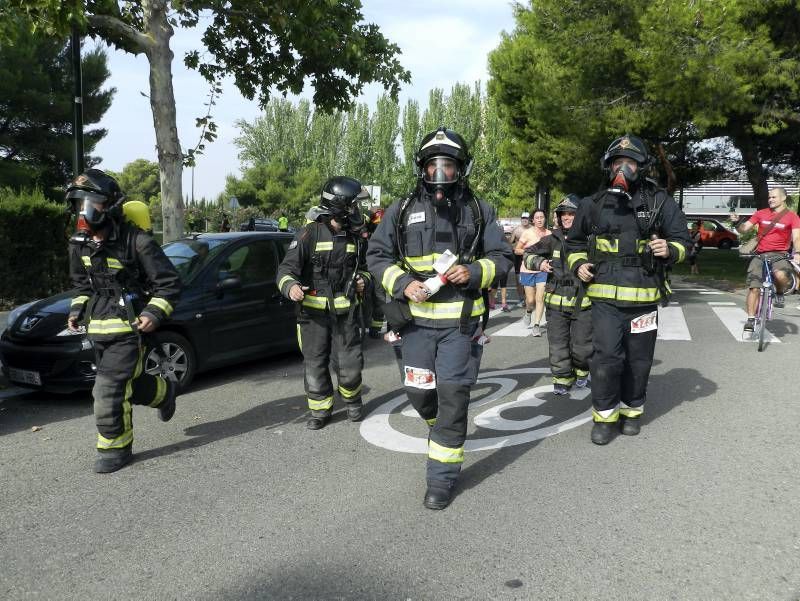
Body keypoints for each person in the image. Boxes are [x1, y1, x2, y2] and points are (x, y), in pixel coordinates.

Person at [367, 127, 512, 510]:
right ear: (422, 167)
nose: (441, 172)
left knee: (453, 397)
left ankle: (442, 478)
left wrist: (476, 272)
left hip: (460, 328)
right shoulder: (400, 211)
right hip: (414, 326)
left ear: (461, 168)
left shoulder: (480, 211)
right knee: (420, 395)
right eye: (434, 164)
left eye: (449, 165)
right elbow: (377, 255)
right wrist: (402, 284)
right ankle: (442, 429)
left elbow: (502, 259)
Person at [566, 134, 691, 445]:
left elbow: (685, 243)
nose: (623, 168)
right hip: (604, 299)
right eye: (617, 163)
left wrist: (669, 249)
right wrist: (578, 264)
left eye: (630, 163)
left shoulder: (660, 200)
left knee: (639, 361)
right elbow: (574, 243)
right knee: (606, 359)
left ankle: (632, 412)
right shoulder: (591, 204)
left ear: (642, 166)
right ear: (608, 167)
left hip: (644, 299)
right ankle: (604, 418)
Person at [66, 169, 181, 473]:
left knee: (107, 391)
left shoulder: (137, 242)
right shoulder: (79, 244)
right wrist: (77, 310)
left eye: (91, 202)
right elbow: (82, 287)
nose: (84, 210)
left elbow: (169, 284)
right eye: (78, 203)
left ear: (111, 205)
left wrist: (152, 313)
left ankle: (115, 448)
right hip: (99, 331)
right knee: (130, 384)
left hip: (129, 332)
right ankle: (164, 391)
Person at [277, 176, 371, 430]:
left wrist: (363, 280)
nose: (357, 211)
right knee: (315, 362)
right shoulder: (309, 233)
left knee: (350, 363)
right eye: (353, 206)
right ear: (339, 206)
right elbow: (285, 270)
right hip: (312, 315)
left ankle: (352, 401)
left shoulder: (356, 237)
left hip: (346, 313)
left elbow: (367, 269)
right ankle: (320, 410)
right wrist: (291, 287)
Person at [524, 195, 592, 395]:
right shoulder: (551, 239)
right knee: (557, 343)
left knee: (583, 348)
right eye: (564, 214)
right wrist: (539, 263)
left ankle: (582, 372)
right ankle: (562, 378)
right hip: (555, 302)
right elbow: (527, 254)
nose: (567, 218)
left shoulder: (591, 239)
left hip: (583, 302)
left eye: (572, 214)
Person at [731, 187, 800, 326]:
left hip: (779, 254)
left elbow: (797, 237)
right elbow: (744, 229)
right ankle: (751, 319)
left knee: (781, 276)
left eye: (774, 197)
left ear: (783, 198)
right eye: (769, 197)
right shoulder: (760, 213)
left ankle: (779, 292)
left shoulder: (792, 216)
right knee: (754, 287)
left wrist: (797, 252)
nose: (770, 200)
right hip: (760, 254)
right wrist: (737, 223)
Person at [515, 208, 551, 336]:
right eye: (537, 218)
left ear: (545, 218)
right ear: (533, 220)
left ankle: (537, 325)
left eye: (542, 217)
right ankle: (529, 311)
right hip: (528, 269)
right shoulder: (527, 233)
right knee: (530, 300)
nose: (540, 219)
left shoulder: (549, 234)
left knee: (540, 298)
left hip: (543, 269)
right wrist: (529, 253)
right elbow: (517, 250)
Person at [510, 211, 532, 306]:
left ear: (529, 220)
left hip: (529, 255)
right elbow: (510, 242)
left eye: (526, 219)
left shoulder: (533, 229)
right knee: (518, 277)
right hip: (518, 256)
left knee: (530, 276)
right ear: (521, 219)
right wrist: (514, 247)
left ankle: (529, 297)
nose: (525, 220)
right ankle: (521, 298)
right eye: (523, 218)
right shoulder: (516, 230)